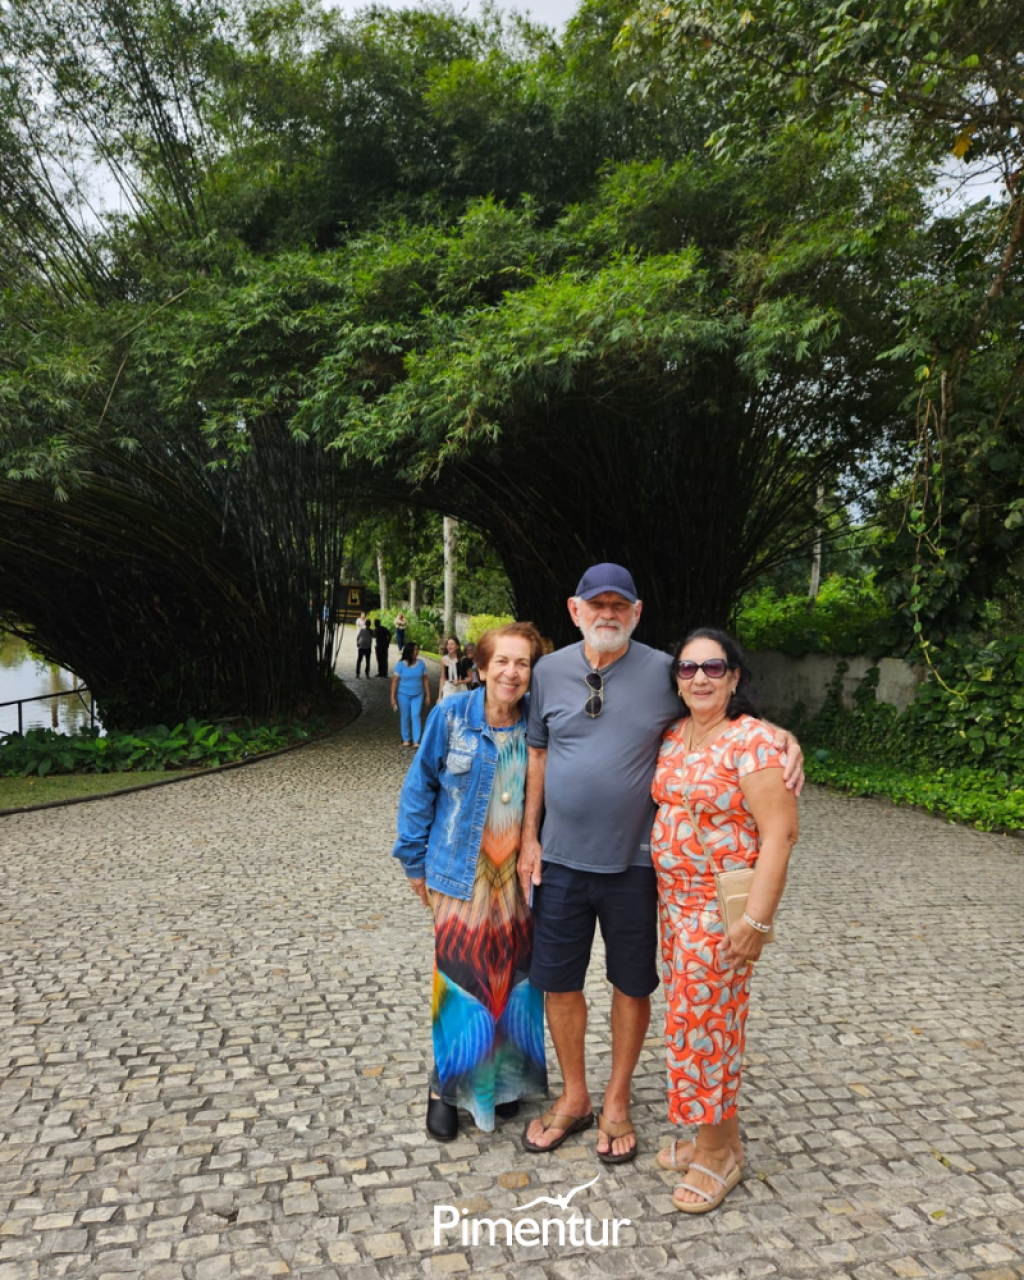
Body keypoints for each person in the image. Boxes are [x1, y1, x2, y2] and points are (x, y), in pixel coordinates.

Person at [519, 564, 803, 1164]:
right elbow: (536, 754)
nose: (608, 614)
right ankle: (575, 1097)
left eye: (619, 605)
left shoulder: (661, 670)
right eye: (597, 604)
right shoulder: (547, 672)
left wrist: (778, 735)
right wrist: (527, 837)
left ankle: (617, 1100)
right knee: (560, 984)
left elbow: (723, 713)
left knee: (632, 984)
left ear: (637, 612)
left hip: (636, 868)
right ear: (574, 610)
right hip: (561, 860)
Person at [651, 628, 798, 1213]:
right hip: (674, 908)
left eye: (713, 668)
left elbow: (780, 834)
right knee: (696, 1021)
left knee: (704, 1031)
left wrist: (756, 921)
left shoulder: (753, 741)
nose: (700, 678)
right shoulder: (673, 735)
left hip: (718, 910)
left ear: (735, 678)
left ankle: (715, 1157)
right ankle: (722, 1138)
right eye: (688, 669)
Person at [393, 623, 549, 1141]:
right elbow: (420, 788)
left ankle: (500, 1084)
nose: (511, 672)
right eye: (501, 661)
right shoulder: (451, 716)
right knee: (461, 986)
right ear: (480, 667)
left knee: (512, 982)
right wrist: (414, 863)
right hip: (461, 874)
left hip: (518, 880)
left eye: (522, 663)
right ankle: (446, 1091)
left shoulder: (539, 724)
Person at [391, 642, 431, 747]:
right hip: (403, 694)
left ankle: (416, 740)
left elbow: (425, 680)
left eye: (417, 649)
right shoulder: (400, 665)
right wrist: (392, 697)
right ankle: (406, 738)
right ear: (409, 651)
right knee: (405, 716)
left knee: (415, 715)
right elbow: (395, 681)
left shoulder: (421, 664)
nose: (416, 652)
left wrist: (428, 694)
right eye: (414, 650)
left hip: (418, 694)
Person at [438, 636, 463, 701]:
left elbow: (469, 677)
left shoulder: (462, 659)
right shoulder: (443, 659)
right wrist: (440, 696)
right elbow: (442, 678)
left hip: (460, 688)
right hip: (448, 688)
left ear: (457, 646)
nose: (449, 646)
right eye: (448, 644)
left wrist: (460, 681)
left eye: (452, 644)